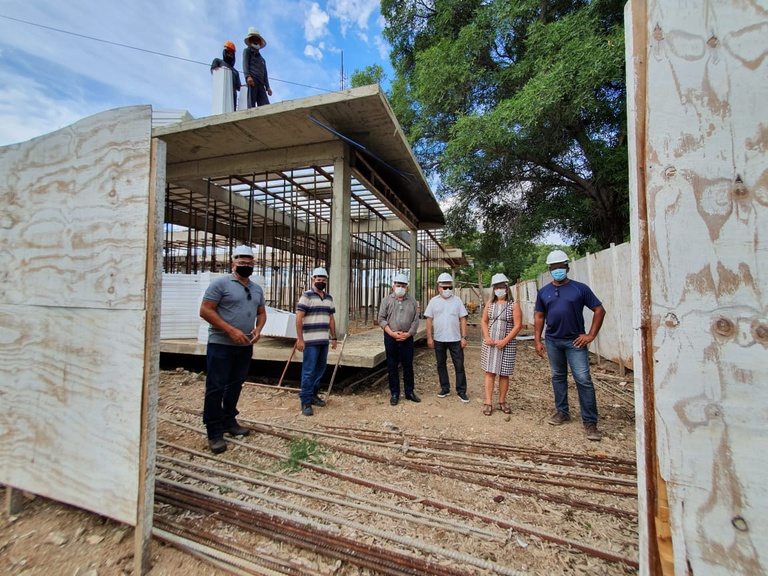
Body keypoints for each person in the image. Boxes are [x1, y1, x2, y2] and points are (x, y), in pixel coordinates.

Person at [199, 245, 267, 453]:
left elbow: (261, 312)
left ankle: (229, 420)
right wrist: (230, 330)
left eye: (249, 262)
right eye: (242, 262)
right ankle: (214, 431)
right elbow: (205, 310)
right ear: (233, 264)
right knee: (216, 387)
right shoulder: (220, 284)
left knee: (236, 384)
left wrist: (258, 329)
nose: (246, 265)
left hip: (244, 345)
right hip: (221, 344)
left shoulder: (256, 289)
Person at [534, 250, 606, 441]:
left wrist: (590, 335)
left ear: (567, 268)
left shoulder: (579, 289)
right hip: (552, 341)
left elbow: (599, 310)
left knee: (583, 379)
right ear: (550, 269)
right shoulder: (544, 292)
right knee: (558, 377)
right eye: (553, 267)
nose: (557, 270)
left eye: (560, 267)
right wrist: (537, 340)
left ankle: (590, 422)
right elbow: (539, 316)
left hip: (575, 342)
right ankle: (562, 412)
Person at [296, 267, 338, 416]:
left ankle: (313, 395)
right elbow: (299, 318)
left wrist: (334, 337)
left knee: (320, 369)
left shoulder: (329, 298)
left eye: (323, 280)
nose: (321, 282)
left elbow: (331, 319)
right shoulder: (306, 296)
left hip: (323, 340)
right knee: (308, 371)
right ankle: (305, 401)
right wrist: (300, 339)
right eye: (318, 279)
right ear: (313, 280)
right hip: (310, 341)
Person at [480, 273, 523, 416]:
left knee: (504, 374)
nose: (499, 289)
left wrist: (505, 340)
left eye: (502, 287)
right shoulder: (490, 304)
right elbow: (484, 321)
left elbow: (517, 325)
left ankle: (502, 400)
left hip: (507, 344)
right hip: (490, 343)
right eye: (496, 287)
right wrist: (487, 337)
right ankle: (488, 402)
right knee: (490, 372)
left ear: (506, 288)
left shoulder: (513, 305)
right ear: (493, 289)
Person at [424, 272, 469, 402]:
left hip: (455, 339)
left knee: (459, 365)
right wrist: (429, 337)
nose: (447, 290)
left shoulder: (457, 301)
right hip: (439, 339)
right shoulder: (433, 302)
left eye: (450, 287)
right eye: (445, 287)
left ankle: (461, 391)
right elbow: (428, 319)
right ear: (439, 288)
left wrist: (464, 337)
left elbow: (463, 319)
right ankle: (445, 388)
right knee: (441, 365)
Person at [378, 273, 421, 406]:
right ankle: (395, 393)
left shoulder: (412, 301)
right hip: (391, 337)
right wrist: (392, 333)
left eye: (403, 286)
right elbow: (381, 319)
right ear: (393, 286)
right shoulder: (386, 300)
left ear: (407, 287)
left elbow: (415, 320)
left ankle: (409, 392)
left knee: (408, 365)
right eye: (398, 285)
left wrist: (408, 334)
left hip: (407, 338)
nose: (400, 288)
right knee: (392, 365)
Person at [242, 27, 272, 108]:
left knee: (265, 105)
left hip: (261, 83)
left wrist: (268, 87)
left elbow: (265, 74)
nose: (255, 41)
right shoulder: (247, 51)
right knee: (251, 104)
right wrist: (248, 76)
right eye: (253, 40)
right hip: (253, 80)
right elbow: (245, 64)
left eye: (257, 40)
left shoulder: (262, 60)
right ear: (250, 41)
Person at [210, 40, 242, 111]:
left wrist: (245, 87)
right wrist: (218, 69)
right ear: (225, 52)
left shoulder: (235, 72)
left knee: (231, 110)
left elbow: (239, 87)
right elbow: (214, 71)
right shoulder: (218, 61)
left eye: (232, 53)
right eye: (228, 52)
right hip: (222, 92)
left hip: (232, 95)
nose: (230, 55)